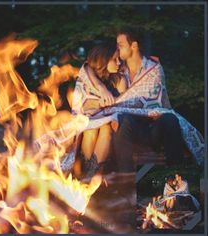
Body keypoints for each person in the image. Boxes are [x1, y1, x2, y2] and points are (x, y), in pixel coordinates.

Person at [113, 28, 185, 171]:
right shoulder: (118, 70)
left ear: (134, 46)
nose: (117, 49)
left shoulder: (154, 68)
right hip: (131, 129)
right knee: (125, 120)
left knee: (170, 119)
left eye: (120, 45)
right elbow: (114, 103)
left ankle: (176, 176)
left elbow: (155, 101)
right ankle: (125, 183)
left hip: (153, 128)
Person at [72, 42, 127, 178]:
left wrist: (108, 106)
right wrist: (99, 96)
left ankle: (92, 174)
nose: (119, 62)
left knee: (105, 127)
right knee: (90, 128)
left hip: (110, 123)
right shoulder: (87, 78)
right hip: (89, 122)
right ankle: (86, 173)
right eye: (114, 59)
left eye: (119, 58)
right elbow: (80, 106)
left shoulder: (120, 79)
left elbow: (124, 105)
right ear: (103, 60)